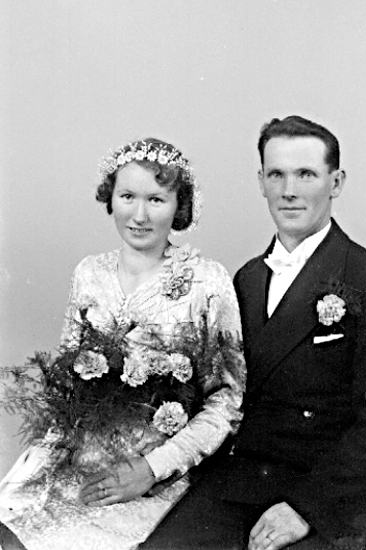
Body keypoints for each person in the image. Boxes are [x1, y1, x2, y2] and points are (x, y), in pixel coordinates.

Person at [140, 116, 366, 550]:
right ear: (261, 182)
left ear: (336, 182)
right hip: (240, 480)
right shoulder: (247, 280)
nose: (289, 190)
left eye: (306, 174)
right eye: (277, 175)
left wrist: (306, 508)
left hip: (331, 492)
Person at [0, 138, 246, 550]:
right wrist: (46, 458)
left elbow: (226, 404)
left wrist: (152, 468)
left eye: (156, 200)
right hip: (77, 457)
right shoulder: (89, 274)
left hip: (152, 472)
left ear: (179, 206)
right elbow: (68, 388)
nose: (139, 215)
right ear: (110, 198)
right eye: (128, 196)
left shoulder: (208, 282)